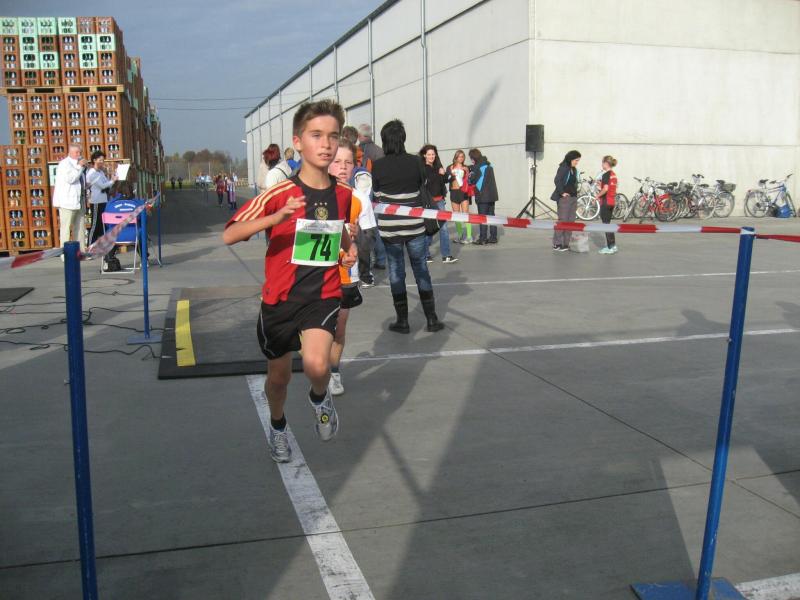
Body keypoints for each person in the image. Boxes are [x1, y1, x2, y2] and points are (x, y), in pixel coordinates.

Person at [222, 99, 357, 463]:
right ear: (297, 142)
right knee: (279, 379)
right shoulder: (279, 194)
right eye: (316, 135)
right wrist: (275, 218)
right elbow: (230, 234)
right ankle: (278, 425)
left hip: (322, 294)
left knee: (317, 366)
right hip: (279, 300)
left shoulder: (344, 194)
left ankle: (319, 398)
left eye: (332, 136)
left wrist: (348, 248)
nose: (326, 144)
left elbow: (338, 228)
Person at [372, 119, 444, 334]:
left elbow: (377, 194)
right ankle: (431, 319)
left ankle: (402, 321)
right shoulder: (415, 162)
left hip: (390, 228)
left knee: (396, 272)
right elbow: (422, 186)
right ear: (403, 138)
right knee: (421, 269)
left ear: (385, 140)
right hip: (415, 225)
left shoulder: (378, 165)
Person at [327, 138, 374, 395]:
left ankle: (333, 373)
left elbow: (369, 238)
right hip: (317, 274)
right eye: (337, 161)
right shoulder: (315, 195)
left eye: (348, 162)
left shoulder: (360, 198)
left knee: (339, 328)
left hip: (347, 275)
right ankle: (318, 369)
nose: (343, 167)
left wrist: (356, 238)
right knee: (318, 329)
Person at [421, 144, 457, 263]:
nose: (431, 156)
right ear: (424, 155)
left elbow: (447, 179)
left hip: (440, 201)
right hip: (429, 203)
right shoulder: (423, 168)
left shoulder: (438, 166)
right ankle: (425, 255)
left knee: (444, 228)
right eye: (429, 154)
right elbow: (429, 181)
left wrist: (446, 174)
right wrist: (440, 174)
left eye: (433, 154)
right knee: (429, 229)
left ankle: (446, 255)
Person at [53, 144, 88, 254]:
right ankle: (65, 254)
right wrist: (79, 166)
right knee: (66, 229)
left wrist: (86, 185)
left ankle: (80, 252)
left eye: (80, 152)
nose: (79, 155)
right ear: (70, 152)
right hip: (67, 202)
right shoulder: (65, 164)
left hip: (79, 200)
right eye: (77, 152)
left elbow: (80, 181)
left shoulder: (80, 165)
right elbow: (71, 179)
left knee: (80, 228)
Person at [551, 150, 581, 252]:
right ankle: (557, 244)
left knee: (571, 222)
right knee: (563, 220)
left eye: (578, 160)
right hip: (565, 199)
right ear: (570, 159)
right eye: (576, 160)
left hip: (573, 198)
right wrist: (562, 192)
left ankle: (566, 244)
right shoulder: (563, 168)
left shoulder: (574, 169)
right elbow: (557, 180)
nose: (577, 162)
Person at [86, 150, 117, 248]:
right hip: (96, 201)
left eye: (103, 160)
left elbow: (107, 184)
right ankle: (90, 245)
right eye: (100, 160)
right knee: (95, 224)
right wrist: (112, 181)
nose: (101, 162)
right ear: (94, 160)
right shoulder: (92, 173)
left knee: (102, 224)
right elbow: (102, 185)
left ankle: (101, 245)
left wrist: (111, 180)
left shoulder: (101, 172)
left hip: (104, 201)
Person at [468, 148, 499, 245]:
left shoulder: (477, 167)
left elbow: (471, 181)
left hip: (482, 196)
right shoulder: (488, 165)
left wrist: (469, 174)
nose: (471, 161)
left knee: (482, 218)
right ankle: (493, 237)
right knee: (492, 216)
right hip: (492, 195)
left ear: (474, 158)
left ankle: (483, 238)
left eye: (471, 158)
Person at [446, 150, 473, 244]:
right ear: (456, 157)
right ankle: (460, 235)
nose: (461, 158)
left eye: (462, 156)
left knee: (465, 214)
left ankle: (469, 236)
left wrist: (467, 172)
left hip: (463, 192)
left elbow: (469, 180)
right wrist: (452, 175)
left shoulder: (466, 167)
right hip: (454, 192)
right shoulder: (450, 167)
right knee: (456, 215)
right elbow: (446, 179)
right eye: (459, 156)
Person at [596, 155, 619, 255]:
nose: (601, 164)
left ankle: (610, 247)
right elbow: (609, 187)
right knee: (608, 225)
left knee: (606, 225)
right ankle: (613, 246)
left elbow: (605, 189)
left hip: (605, 202)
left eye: (602, 162)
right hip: (611, 202)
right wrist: (600, 185)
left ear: (606, 163)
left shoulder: (605, 175)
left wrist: (597, 196)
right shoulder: (613, 174)